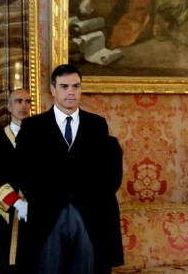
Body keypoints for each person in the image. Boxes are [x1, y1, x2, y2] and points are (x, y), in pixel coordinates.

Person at [16, 63, 124, 274]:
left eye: (76, 86)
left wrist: (91, 198)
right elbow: (24, 172)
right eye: (64, 86)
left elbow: (107, 172)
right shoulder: (33, 127)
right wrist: (44, 199)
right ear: (53, 89)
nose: (71, 92)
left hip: (88, 213)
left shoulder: (97, 124)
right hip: (48, 213)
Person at [0, 88, 32, 273]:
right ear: (9, 106)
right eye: (19, 101)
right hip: (6, 211)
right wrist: (17, 203)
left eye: (28, 101)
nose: (24, 105)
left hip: (35, 211)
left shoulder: (41, 138)